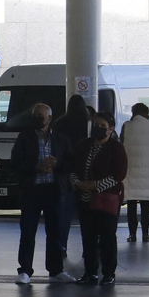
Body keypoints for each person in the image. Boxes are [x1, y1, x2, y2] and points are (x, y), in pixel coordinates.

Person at [10, 102, 75, 284]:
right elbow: (15, 162)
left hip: (53, 190)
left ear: (50, 119)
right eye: (35, 116)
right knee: (28, 231)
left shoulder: (61, 140)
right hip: (31, 190)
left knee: (55, 232)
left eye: (41, 116)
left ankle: (56, 270)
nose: (37, 119)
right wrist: (36, 168)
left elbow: (71, 164)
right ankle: (25, 270)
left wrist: (57, 165)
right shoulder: (25, 137)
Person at [70, 111, 128, 285]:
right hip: (84, 199)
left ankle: (109, 273)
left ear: (111, 129)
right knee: (88, 237)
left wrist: (95, 185)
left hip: (106, 200)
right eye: (96, 125)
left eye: (103, 126)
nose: (99, 128)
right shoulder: (83, 145)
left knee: (107, 237)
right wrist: (77, 183)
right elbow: (72, 167)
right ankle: (90, 272)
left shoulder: (116, 148)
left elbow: (119, 175)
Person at [120, 102, 149, 243]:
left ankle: (132, 235)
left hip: (131, 168)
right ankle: (146, 234)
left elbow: (121, 144)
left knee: (131, 203)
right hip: (148, 170)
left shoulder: (127, 126)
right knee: (145, 203)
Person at [55, 94, 92, 252]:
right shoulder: (88, 124)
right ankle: (88, 248)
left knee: (64, 213)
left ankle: (62, 245)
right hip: (85, 172)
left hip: (65, 172)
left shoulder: (60, 123)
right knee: (88, 215)